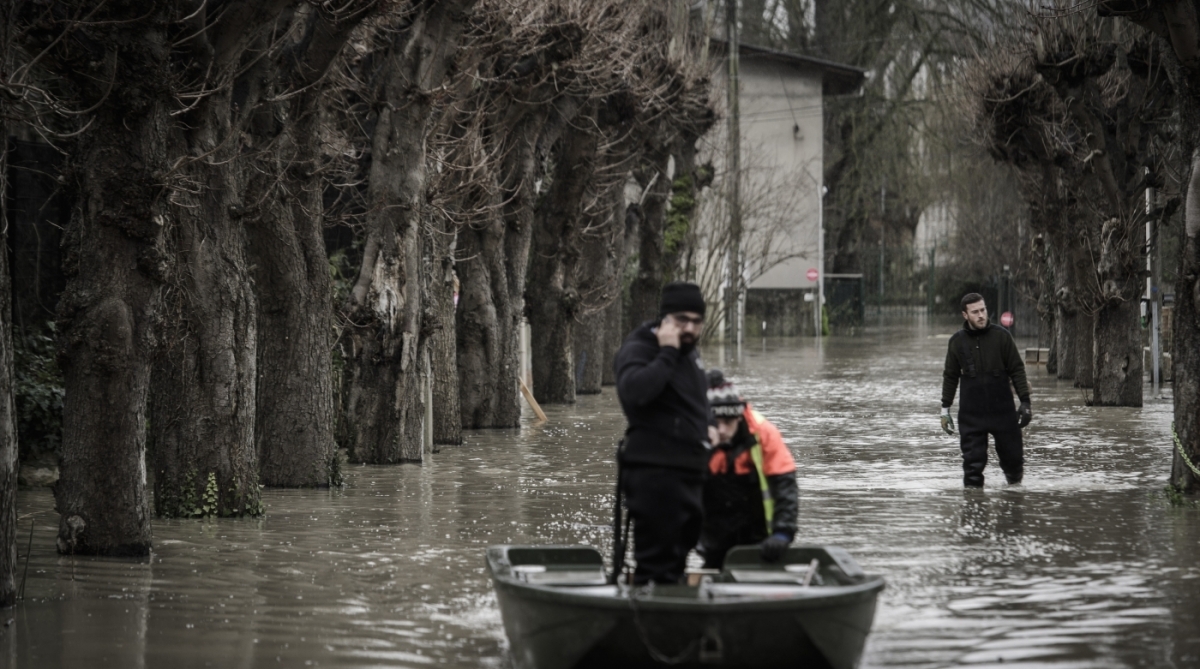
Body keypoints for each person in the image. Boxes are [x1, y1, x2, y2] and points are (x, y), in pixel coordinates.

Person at [614, 282, 711, 584]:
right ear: (665, 319)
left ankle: (673, 602)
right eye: (682, 320)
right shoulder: (642, 347)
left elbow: (693, 403)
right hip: (655, 473)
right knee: (657, 564)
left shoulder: (689, 354)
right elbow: (634, 392)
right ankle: (651, 608)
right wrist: (667, 351)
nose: (690, 328)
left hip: (690, 472)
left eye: (696, 321)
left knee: (680, 555)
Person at [699, 371, 798, 569]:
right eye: (716, 423)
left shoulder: (764, 433)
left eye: (728, 422)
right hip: (713, 533)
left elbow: (785, 485)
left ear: (739, 416)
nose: (722, 430)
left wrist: (783, 532)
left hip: (760, 536)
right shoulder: (693, 433)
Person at [941, 293, 1032, 487]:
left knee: (1014, 464)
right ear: (965, 315)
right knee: (972, 470)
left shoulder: (1002, 337)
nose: (981, 315)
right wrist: (945, 410)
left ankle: (1014, 501)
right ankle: (974, 503)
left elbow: (1017, 370)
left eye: (983, 310)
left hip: (1004, 412)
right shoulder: (956, 342)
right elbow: (950, 377)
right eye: (975, 312)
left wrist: (1025, 402)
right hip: (972, 416)